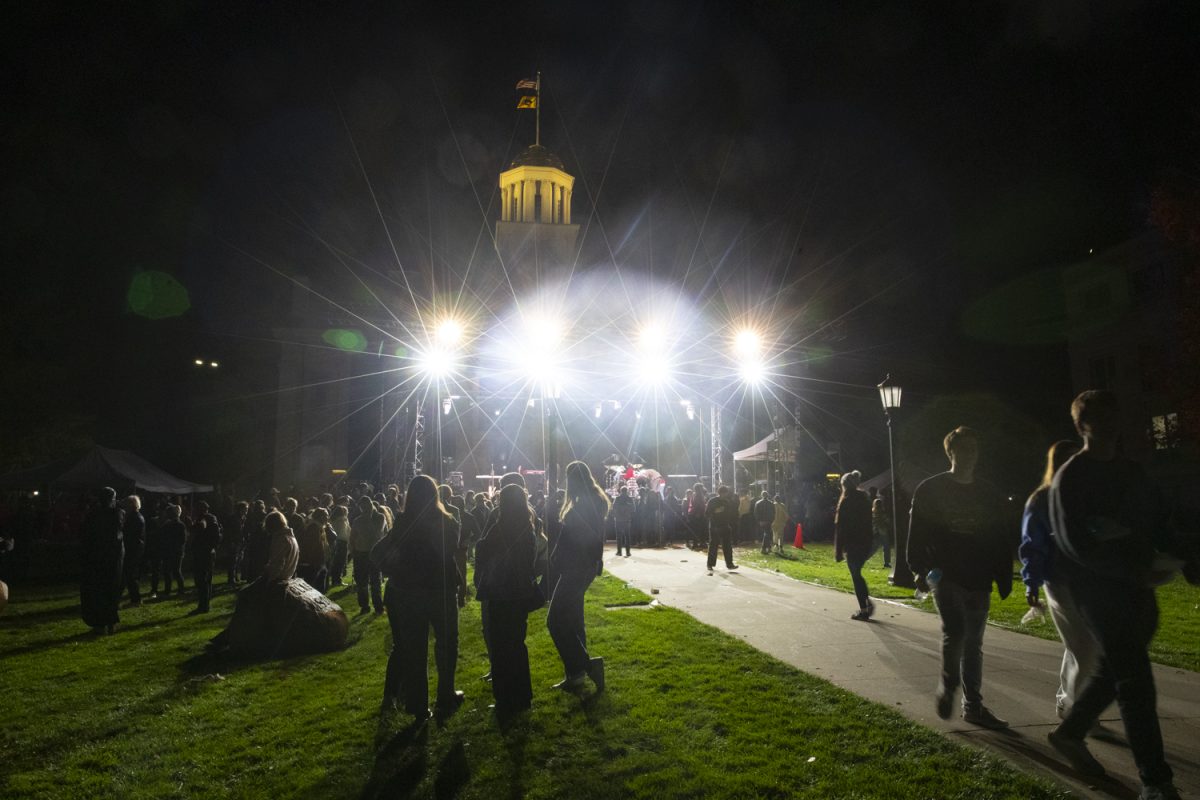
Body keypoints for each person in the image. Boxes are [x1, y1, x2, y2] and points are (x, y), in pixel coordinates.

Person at [1046, 391, 1199, 798]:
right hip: (1096, 591)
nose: (1110, 427)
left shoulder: (1133, 472)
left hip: (1137, 586)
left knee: (1117, 669)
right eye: (1099, 420)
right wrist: (1135, 568)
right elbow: (1076, 544)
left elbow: (1158, 523)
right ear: (1082, 427)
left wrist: (1188, 560)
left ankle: (1071, 731)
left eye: (1113, 418)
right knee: (1135, 679)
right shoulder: (1071, 479)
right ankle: (1156, 782)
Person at [907, 426, 1012, 729]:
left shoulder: (988, 493)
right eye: (963, 449)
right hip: (945, 574)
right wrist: (918, 567)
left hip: (979, 577)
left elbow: (999, 537)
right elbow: (917, 531)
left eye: (974, 450)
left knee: (974, 643)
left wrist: (1003, 575)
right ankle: (948, 684)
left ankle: (973, 706)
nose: (969, 456)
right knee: (955, 632)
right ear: (950, 452)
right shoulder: (930, 489)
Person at [1018, 439, 1096, 720]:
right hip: (1059, 580)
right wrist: (1032, 583)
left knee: (1081, 645)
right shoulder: (1041, 500)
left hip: (1090, 580)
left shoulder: (1086, 497)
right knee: (1084, 647)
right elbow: (1032, 545)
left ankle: (1068, 700)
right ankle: (1080, 712)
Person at [380, 475, 466, 721]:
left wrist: (395, 570)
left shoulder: (402, 524)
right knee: (447, 643)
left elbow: (380, 553)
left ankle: (418, 704)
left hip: (409, 593)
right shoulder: (448, 522)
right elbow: (449, 553)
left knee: (415, 648)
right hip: (441, 589)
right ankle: (445, 694)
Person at [475, 483, 547, 724]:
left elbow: (483, 552)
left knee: (500, 647)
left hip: (500, 592)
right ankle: (523, 695)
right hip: (520, 593)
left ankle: (505, 697)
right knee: (517, 644)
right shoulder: (527, 528)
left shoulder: (500, 527)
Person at [548, 461, 609, 692]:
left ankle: (587, 667)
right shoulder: (594, 502)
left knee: (555, 621)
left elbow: (574, 539)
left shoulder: (582, 507)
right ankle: (576, 675)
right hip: (585, 567)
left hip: (575, 567)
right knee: (573, 620)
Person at [80, 487, 124, 634]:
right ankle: (109, 622)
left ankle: (102, 623)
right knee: (110, 590)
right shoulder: (115, 514)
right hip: (110, 559)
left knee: (100, 590)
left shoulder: (93, 515)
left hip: (98, 558)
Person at [834, 471, 875, 620]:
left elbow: (841, 528)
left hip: (852, 543)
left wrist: (838, 551)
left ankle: (864, 608)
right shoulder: (864, 498)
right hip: (865, 541)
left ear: (844, 485)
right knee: (857, 573)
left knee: (856, 575)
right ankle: (866, 603)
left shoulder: (846, 501)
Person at [350, 496, 387, 615]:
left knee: (375, 581)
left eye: (367, 506)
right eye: (363, 507)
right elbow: (352, 537)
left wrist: (369, 518)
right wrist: (353, 551)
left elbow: (378, 534)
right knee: (362, 582)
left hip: (374, 553)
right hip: (361, 553)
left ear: (371, 505)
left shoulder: (380, 518)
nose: (365, 509)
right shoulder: (357, 520)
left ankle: (378, 606)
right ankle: (365, 606)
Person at [190, 501, 222, 613]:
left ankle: (203, 606)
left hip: (203, 553)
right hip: (206, 552)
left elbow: (202, 529)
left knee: (202, 580)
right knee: (205, 580)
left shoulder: (205, 519)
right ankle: (205, 605)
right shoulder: (211, 519)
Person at [704, 485, 739, 572]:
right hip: (714, 526)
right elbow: (707, 513)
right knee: (713, 545)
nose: (725, 495)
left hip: (725, 526)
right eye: (724, 493)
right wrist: (715, 511)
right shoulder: (712, 501)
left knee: (728, 546)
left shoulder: (727, 502)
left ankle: (729, 564)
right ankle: (710, 564)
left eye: (726, 493)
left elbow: (730, 514)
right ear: (720, 493)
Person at [296, 507, 331, 592]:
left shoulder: (319, 527)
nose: (327, 518)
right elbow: (312, 546)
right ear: (320, 517)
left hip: (319, 562)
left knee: (320, 586)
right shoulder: (314, 528)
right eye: (326, 515)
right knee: (314, 588)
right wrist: (314, 562)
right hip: (314, 563)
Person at [120, 495, 146, 606]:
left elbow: (129, 534)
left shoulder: (134, 518)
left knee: (129, 575)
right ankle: (134, 599)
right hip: (134, 549)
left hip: (133, 549)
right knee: (128, 575)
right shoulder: (136, 516)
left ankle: (136, 599)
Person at [158, 503, 187, 595]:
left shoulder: (177, 525)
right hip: (173, 550)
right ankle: (175, 589)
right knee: (171, 571)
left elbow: (182, 539)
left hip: (174, 551)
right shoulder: (176, 524)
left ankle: (175, 589)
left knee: (174, 571)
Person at [328, 504, 351, 585]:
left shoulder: (332, 520)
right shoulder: (343, 520)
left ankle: (335, 579)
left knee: (336, 562)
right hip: (342, 542)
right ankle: (337, 579)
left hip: (336, 542)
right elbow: (346, 532)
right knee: (340, 562)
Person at [610, 486, 635, 557]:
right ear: (626, 491)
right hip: (627, 520)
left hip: (618, 520)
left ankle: (619, 552)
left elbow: (613, 508)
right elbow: (633, 509)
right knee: (627, 536)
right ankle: (628, 552)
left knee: (619, 536)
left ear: (620, 491)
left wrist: (615, 516)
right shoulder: (630, 499)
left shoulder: (617, 499)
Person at [872, 494, 892, 568]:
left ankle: (863, 559)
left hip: (877, 531)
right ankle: (887, 562)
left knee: (874, 548)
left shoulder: (874, 513)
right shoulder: (882, 513)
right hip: (882, 531)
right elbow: (887, 520)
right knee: (886, 547)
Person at [754, 490, 776, 554]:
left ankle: (766, 548)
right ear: (767, 495)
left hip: (762, 521)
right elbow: (773, 513)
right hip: (769, 521)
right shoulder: (771, 503)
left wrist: (759, 520)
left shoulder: (758, 503)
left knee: (766, 533)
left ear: (761, 495)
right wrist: (772, 520)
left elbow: (756, 513)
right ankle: (766, 548)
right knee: (767, 533)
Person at [687, 483, 707, 549]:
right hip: (698, 514)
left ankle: (697, 543)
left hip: (696, 514)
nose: (703, 488)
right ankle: (699, 543)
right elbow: (697, 505)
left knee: (697, 530)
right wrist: (698, 513)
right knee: (699, 530)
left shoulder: (695, 495)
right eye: (702, 487)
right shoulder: (698, 495)